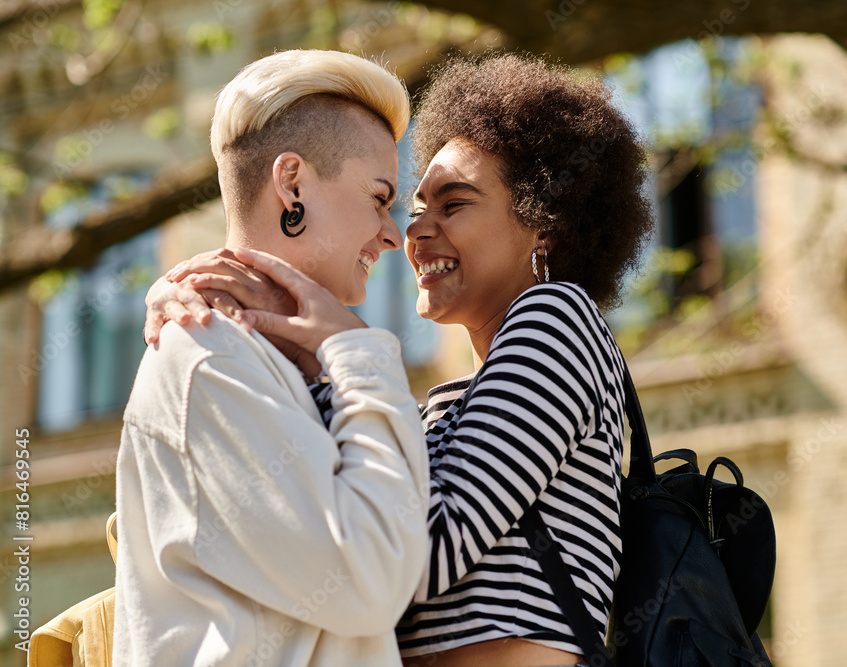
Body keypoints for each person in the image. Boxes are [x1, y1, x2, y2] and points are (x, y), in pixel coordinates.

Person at [145, 53, 653, 667]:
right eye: (412, 208)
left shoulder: (557, 319)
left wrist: (340, 347)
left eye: (454, 205)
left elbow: (421, 551)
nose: (412, 233)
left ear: (542, 225)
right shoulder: (444, 407)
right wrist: (204, 296)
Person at [115, 49, 430, 666]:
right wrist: (358, 350)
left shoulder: (271, 361)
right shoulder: (209, 355)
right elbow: (369, 582)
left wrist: (332, 358)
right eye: (379, 197)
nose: (395, 234)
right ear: (292, 185)